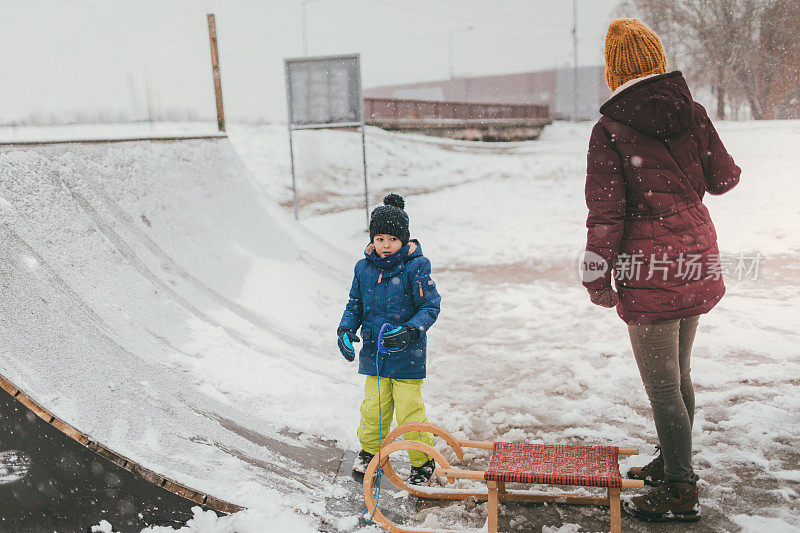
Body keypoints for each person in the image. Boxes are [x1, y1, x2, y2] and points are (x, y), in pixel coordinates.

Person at [582, 18, 741, 523]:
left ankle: (679, 488)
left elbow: (606, 215)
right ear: (657, 59)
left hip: (649, 268)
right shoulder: (691, 111)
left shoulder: (610, 129)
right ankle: (674, 460)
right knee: (681, 375)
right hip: (695, 254)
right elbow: (725, 178)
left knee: (664, 387)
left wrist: (595, 276)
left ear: (614, 71)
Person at [337, 193, 442, 485]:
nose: (386, 245)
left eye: (392, 239)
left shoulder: (415, 267)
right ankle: (371, 452)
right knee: (373, 408)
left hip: (407, 356)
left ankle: (422, 460)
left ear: (403, 240)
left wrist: (411, 330)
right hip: (374, 355)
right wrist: (345, 329)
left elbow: (430, 306)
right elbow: (354, 304)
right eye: (380, 238)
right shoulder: (364, 268)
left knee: (409, 411)